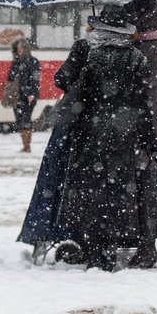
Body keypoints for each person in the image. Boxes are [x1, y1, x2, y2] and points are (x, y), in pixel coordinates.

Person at [56, 4, 157, 271]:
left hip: (89, 136)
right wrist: (150, 143)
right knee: (116, 195)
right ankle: (111, 246)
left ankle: (96, 252)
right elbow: (142, 107)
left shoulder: (87, 52)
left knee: (91, 194)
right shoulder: (136, 58)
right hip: (122, 137)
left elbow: (62, 80)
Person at [16, 27, 92, 263]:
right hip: (102, 129)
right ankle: (92, 238)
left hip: (72, 124)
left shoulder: (84, 47)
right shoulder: (126, 51)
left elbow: (61, 78)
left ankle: (51, 232)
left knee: (58, 179)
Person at [120, 0, 157, 269]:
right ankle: (143, 242)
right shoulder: (155, 45)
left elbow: (140, 91)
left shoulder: (147, 50)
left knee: (144, 190)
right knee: (143, 188)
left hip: (144, 129)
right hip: (151, 127)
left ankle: (146, 247)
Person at [7, 37, 40, 153]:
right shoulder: (15, 62)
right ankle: (25, 145)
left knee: (26, 120)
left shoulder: (33, 61)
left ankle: (27, 146)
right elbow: (10, 78)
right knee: (20, 121)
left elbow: (35, 79)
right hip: (17, 96)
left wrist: (31, 93)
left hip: (28, 96)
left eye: (21, 48)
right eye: (17, 48)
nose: (20, 50)